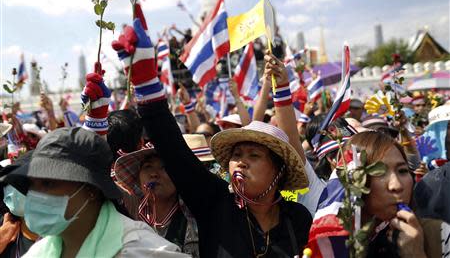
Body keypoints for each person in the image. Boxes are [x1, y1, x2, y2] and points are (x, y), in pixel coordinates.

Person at [111, 14, 313, 257]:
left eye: (254, 155)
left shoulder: (298, 219)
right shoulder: (215, 203)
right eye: (236, 154)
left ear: (278, 169)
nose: (241, 161)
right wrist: (146, 86)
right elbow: (174, 152)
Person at [2, 127, 188, 257]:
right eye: (32, 185)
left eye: (49, 183)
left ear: (91, 190)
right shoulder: (40, 253)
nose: (36, 194)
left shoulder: (142, 250)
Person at [309, 130, 439, 257]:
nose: (397, 186)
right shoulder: (329, 248)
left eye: (402, 171)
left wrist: (415, 253)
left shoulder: (436, 233)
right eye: (380, 173)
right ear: (355, 181)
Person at [114, 136, 213, 258]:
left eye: (164, 167)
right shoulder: (128, 214)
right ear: (138, 178)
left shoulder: (195, 218)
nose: (154, 174)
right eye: (148, 167)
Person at [0, 152, 38, 257]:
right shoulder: (4, 225)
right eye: (7, 182)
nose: (10, 188)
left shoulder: (62, 236)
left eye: (19, 182)